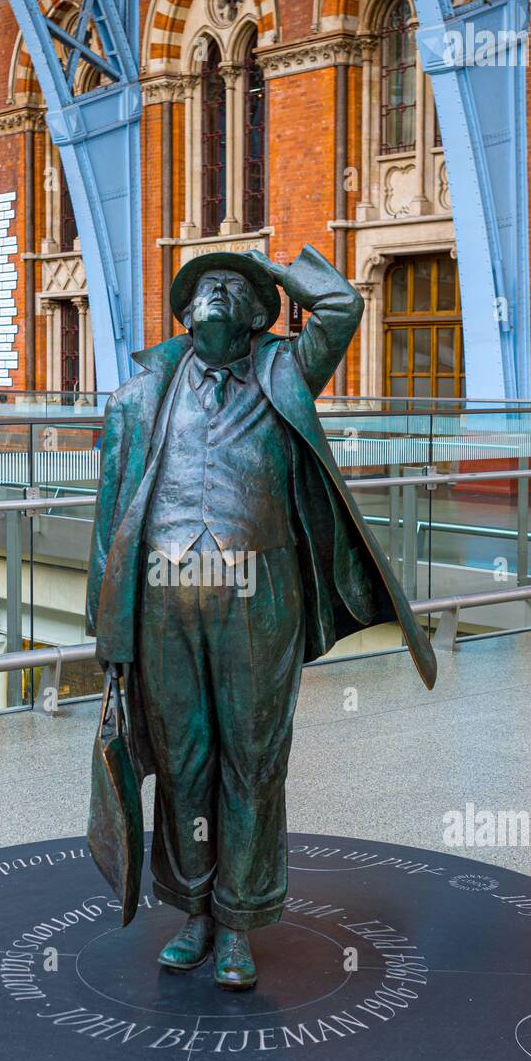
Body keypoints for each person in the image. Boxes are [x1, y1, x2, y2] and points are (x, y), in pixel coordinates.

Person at [86, 245, 436, 989]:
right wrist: (107, 632)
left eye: (232, 289)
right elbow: (108, 520)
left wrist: (270, 268)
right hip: (161, 598)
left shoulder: (284, 370)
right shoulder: (136, 396)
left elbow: (341, 305)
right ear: (182, 314)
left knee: (251, 760)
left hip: (259, 595)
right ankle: (194, 912)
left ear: (256, 315)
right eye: (203, 287)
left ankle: (240, 919)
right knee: (185, 763)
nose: (215, 294)